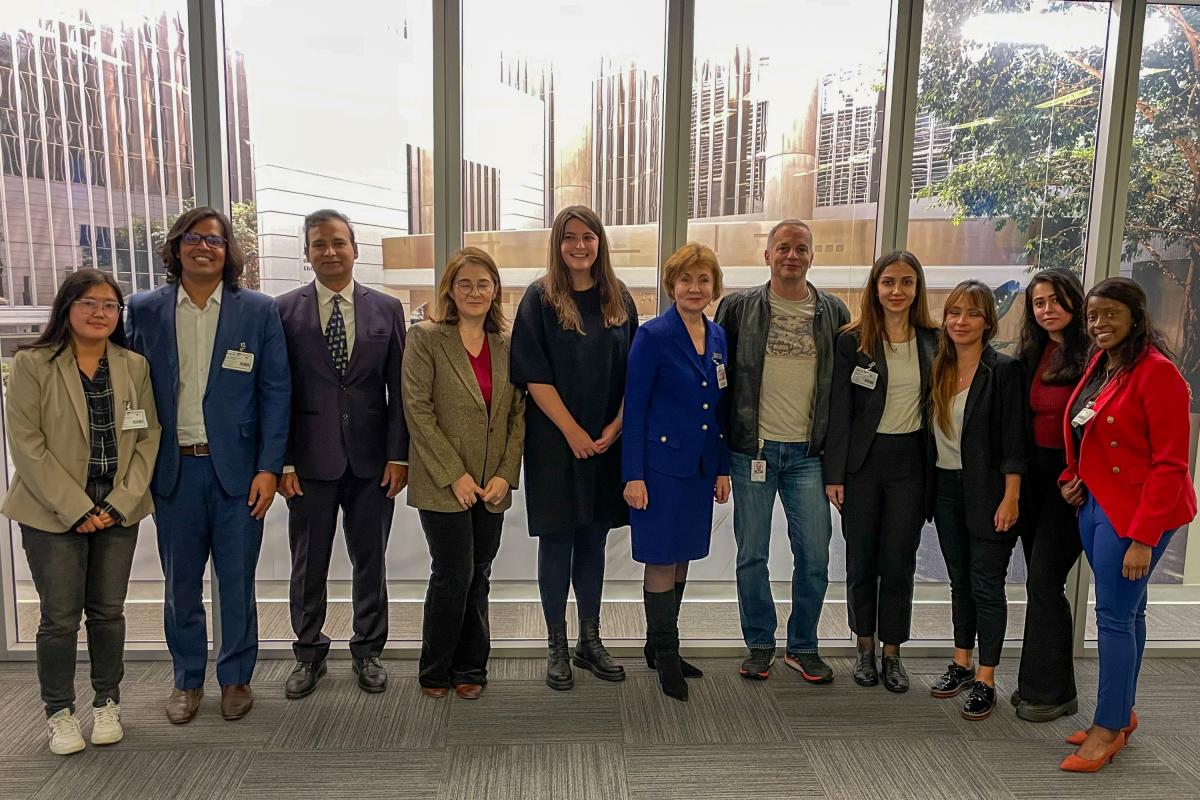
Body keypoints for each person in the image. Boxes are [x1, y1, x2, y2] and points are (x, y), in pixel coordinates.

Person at [125, 207, 291, 724]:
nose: (204, 247)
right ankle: (187, 680)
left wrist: (270, 466)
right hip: (173, 469)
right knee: (180, 583)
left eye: (215, 241)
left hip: (239, 472)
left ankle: (236, 677)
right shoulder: (144, 309)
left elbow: (276, 392)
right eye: (193, 239)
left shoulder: (258, 310)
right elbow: (127, 383)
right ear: (175, 248)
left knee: (237, 580)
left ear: (228, 251)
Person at [2, 269, 160, 755]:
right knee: (59, 618)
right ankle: (60, 712)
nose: (99, 313)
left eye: (110, 306)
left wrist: (118, 503)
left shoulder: (133, 365)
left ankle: (106, 702)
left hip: (116, 513)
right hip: (52, 515)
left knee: (109, 613)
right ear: (67, 307)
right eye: (89, 303)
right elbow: (27, 447)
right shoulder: (32, 364)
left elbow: (147, 436)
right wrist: (76, 509)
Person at [1057, 277, 1196, 773]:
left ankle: (1107, 728)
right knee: (1129, 614)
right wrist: (1071, 476)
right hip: (1096, 501)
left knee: (1113, 618)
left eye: (1111, 314)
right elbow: (1085, 424)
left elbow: (1171, 465)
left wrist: (1143, 537)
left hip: (1138, 513)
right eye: (1093, 315)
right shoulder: (1105, 363)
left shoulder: (1158, 373)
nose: (1099, 324)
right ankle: (1123, 712)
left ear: (1135, 316)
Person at [276, 209, 409, 699]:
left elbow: (399, 390)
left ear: (355, 250)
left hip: (374, 462)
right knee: (308, 562)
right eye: (318, 244)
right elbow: (278, 393)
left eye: (337, 243)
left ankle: (368, 649)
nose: (328, 252)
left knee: (370, 559)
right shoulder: (283, 310)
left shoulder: (387, 310)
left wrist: (401, 456)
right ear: (307, 253)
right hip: (308, 463)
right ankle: (309, 653)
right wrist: (283, 460)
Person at [714, 219, 850, 682]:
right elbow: (717, 381)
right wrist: (718, 455)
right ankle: (759, 643)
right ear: (767, 255)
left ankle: (803, 645)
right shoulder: (737, 307)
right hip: (751, 449)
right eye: (784, 248)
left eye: (801, 248)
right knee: (752, 553)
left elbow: (843, 392)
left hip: (808, 455)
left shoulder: (833, 312)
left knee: (814, 554)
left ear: (812, 256)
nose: (792, 255)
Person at [510, 205, 638, 690]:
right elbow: (532, 373)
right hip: (555, 443)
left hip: (608, 441)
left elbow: (634, 371)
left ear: (600, 242)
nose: (580, 246)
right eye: (570, 238)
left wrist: (619, 424)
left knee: (594, 541)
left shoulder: (619, 297)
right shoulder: (540, 298)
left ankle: (590, 639)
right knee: (558, 542)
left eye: (588, 236)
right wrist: (572, 431)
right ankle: (557, 645)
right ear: (557, 245)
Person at [404, 247, 525, 700]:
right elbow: (418, 411)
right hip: (444, 483)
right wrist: (454, 474)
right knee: (452, 573)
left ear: (495, 290)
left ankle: (472, 665)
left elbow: (518, 414)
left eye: (483, 283)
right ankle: (436, 668)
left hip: (491, 484)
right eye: (465, 284)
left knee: (479, 572)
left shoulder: (508, 344)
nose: (475, 292)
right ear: (451, 291)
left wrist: (505, 475)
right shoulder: (426, 338)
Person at [823, 250, 938, 693]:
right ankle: (865, 648)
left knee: (899, 562)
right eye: (888, 282)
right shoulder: (852, 340)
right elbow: (839, 411)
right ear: (875, 287)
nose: (896, 291)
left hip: (910, 463)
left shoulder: (933, 340)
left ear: (917, 289)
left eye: (906, 282)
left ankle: (892, 652)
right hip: (862, 466)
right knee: (861, 561)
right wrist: (835, 474)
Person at [622, 243, 731, 702]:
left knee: (683, 554)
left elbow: (720, 405)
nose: (695, 288)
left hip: (700, 467)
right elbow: (635, 407)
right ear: (672, 285)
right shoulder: (653, 336)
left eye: (703, 280)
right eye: (686, 280)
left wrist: (722, 467)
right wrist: (633, 475)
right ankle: (666, 655)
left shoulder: (719, 334)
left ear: (713, 287)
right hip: (659, 468)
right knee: (661, 558)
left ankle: (659, 643)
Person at [927, 280, 1026, 721]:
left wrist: (1011, 497)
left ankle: (986, 676)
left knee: (987, 585)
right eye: (953, 313)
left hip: (989, 493)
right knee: (959, 581)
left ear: (988, 320)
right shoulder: (939, 367)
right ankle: (961, 661)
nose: (960, 322)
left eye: (971, 313)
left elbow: (1013, 442)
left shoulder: (1003, 370)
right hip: (946, 488)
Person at [1011, 268, 1089, 722]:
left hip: (1072, 484)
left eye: (1056, 300)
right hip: (1035, 480)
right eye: (1039, 303)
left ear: (1074, 303)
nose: (1047, 310)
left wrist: (1085, 476)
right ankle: (1040, 684)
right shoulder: (1032, 353)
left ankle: (1052, 691)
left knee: (1044, 580)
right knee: (1040, 583)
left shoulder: (1095, 358)